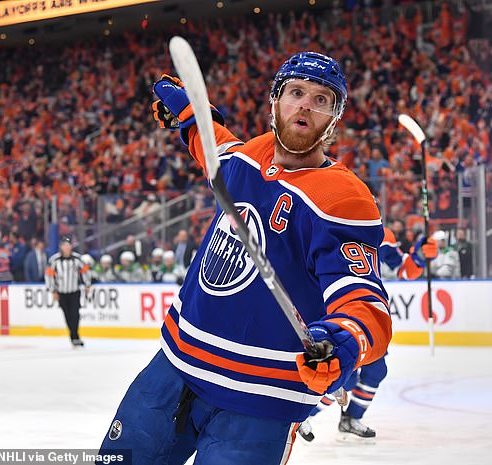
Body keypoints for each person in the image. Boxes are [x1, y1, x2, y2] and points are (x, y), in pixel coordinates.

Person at [98, 52, 393, 465]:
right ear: (275, 102)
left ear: (334, 118)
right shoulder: (250, 156)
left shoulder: (343, 198)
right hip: (174, 369)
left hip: (261, 399)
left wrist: (344, 339)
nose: (305, 104)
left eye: (322, 99)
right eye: (296, 92)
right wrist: (191, 116)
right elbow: (214, 146)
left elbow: (365, 302)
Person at [298, 226, 436, 442]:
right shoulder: (325, 225)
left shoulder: (382, 234)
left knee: (376, 370)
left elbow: (405, 270)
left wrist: (419, 256)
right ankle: (304, 414)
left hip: (366, 314)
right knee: (343, 376)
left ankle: (351, 418)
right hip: (334, 311)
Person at [45, 236, 92, 347]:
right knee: (67, 315)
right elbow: (49, 275)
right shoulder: (54, 260)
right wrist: (53, 290)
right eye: (64, 245)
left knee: (75, 314)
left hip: (74, 291)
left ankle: (75, 336)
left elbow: (85, 271)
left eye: (68, 245)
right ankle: (73, 336)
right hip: (62, 292)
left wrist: (87, 285)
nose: (66, 247)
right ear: (61, 247)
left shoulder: (77, 258)